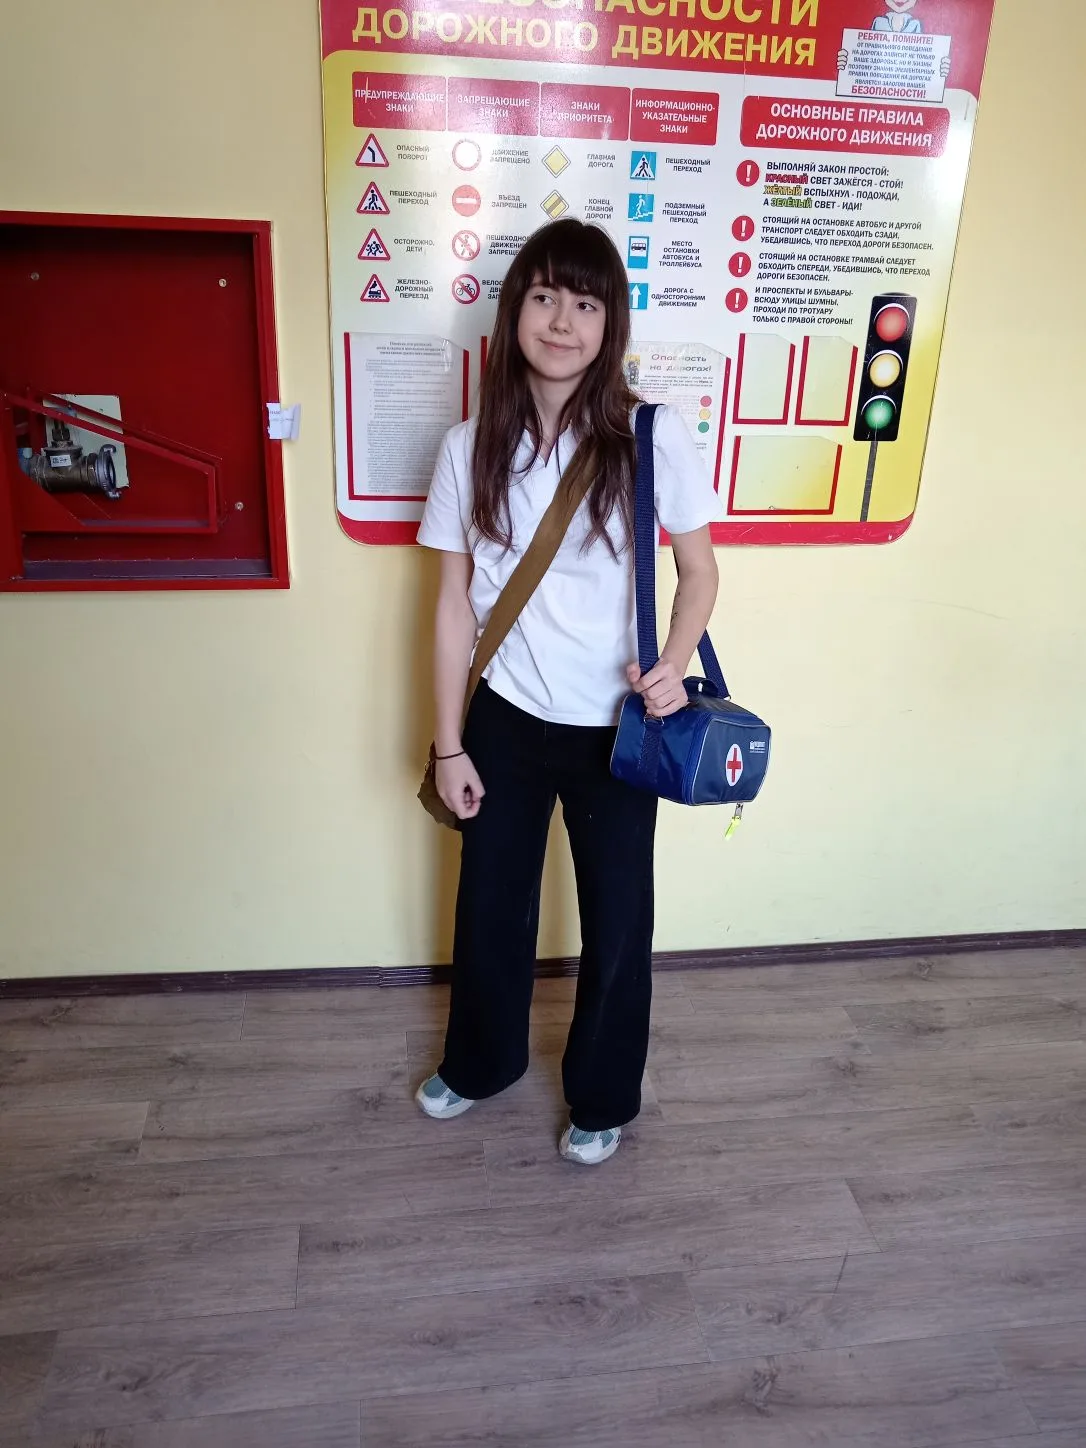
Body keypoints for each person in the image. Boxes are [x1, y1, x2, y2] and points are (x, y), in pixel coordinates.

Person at [414, 218, 720, 1166]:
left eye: (585, 304)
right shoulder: (469, 446)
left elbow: (701, 572)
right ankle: (482, 1062)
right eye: (544, 297)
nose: (561, 322)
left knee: (619, 920)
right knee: (489, 906)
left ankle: (603, 1095)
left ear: (609, 324)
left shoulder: (651, 435)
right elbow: (452, 605)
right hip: (504, 719)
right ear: (515, 313)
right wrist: (449, 744)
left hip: (617, 731)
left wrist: (672, 665)